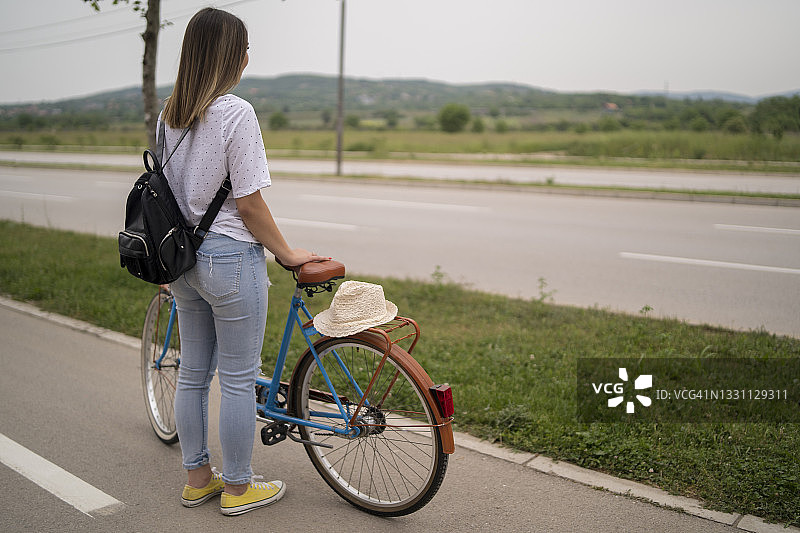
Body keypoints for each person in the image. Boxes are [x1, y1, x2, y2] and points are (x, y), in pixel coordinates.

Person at [159, 7, 326, 516]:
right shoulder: (236, 113)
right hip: (230, 261)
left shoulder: (171, 115)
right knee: (235, 378)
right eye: (245, 46)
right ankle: (237, 488)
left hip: (185, 261)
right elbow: (250, 205)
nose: (250, 55)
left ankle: (197, 479)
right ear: (230, 55)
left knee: (192, 373)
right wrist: (288, 252)